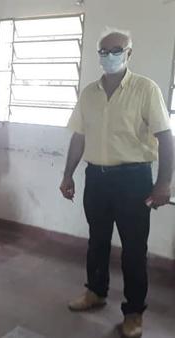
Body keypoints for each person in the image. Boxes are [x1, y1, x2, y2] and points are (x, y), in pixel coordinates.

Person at [60, 28, 173, 338]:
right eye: (103, 51)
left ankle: (134, 312)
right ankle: (95, 292)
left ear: (129, 54)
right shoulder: (89, 94)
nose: (109, 56)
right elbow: (79, 136)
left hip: (134, 180)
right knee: (97, 241)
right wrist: (68, 174)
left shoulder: (145, 89)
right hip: (96, 178)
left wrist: (163, 184)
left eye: (116, 50)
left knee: (134, 249)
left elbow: (166, 137)